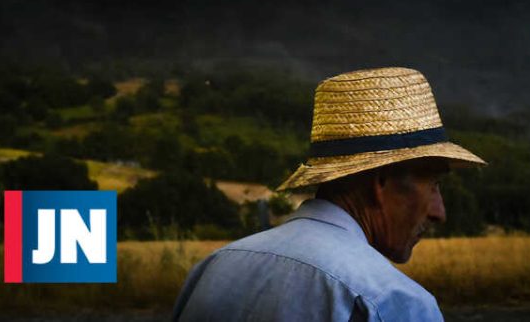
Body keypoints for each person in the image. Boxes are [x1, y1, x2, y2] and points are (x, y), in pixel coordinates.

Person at [172, 67, 485, 321]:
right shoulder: (387, 301)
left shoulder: (214, 268)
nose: (439, 212)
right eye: (433, 185)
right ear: (382, 181)